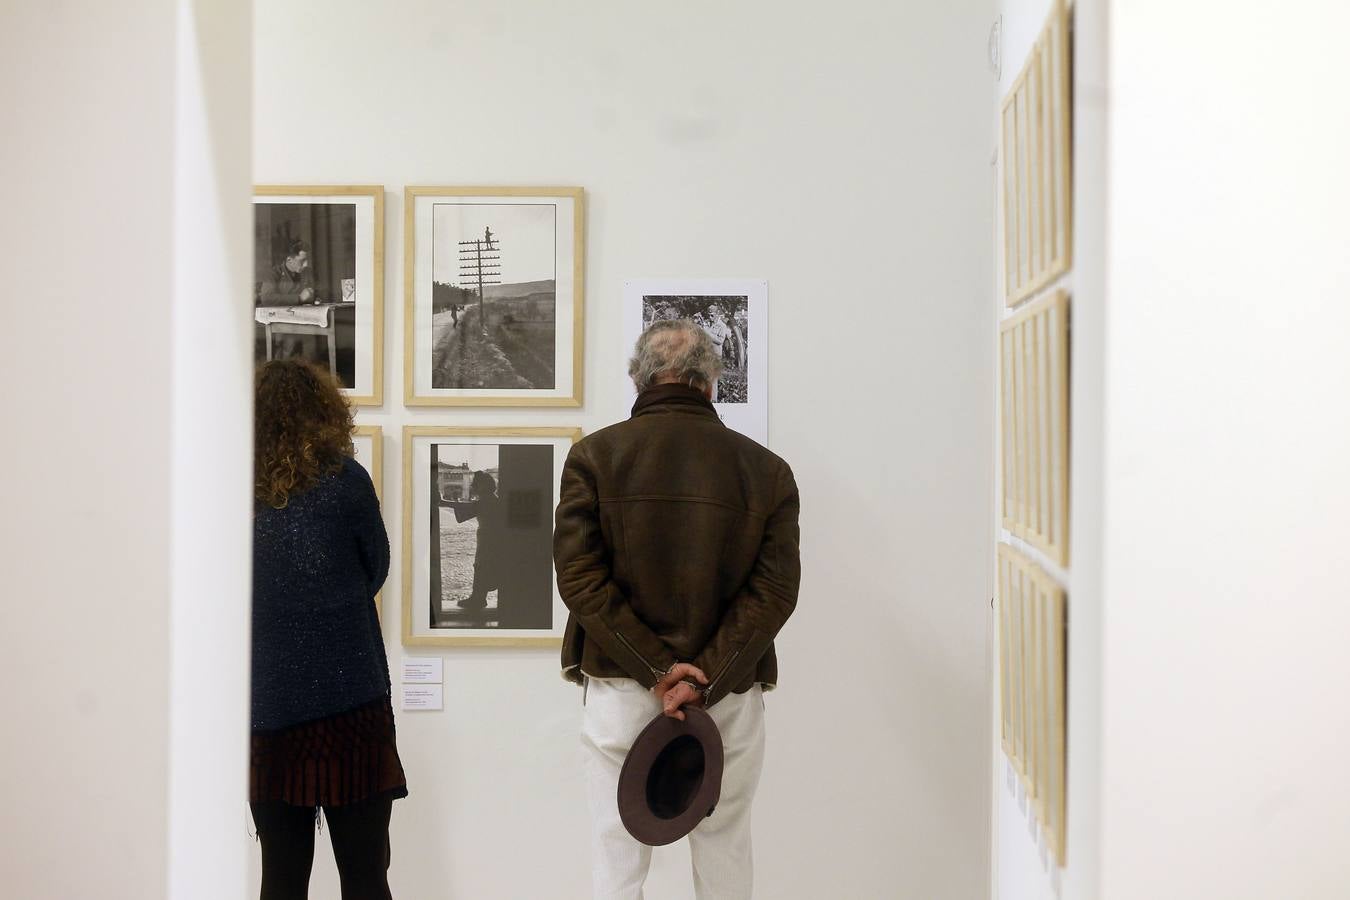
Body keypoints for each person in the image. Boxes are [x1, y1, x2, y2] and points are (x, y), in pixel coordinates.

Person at [554, 319, 801, 900]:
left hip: (621, 686)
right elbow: (775, 593)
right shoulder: (767, 472)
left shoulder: (594, 457)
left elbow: (580, 580)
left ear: (637, 379)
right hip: (729, 694)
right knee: (725, 854)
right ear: (711, 383)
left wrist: (658, 669)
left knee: (616, 859)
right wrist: (704, 676)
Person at [251, 360, 406, 900]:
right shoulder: (346, 481)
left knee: (281, 878)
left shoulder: (231, 490)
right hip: (351, 702)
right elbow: (375, 567)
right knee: (366, 877)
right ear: (326, 413)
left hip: (266, 707)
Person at [439, 470, 504, 612]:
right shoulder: (492, 500)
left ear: (483, 486)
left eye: (476, 484)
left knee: (481, 566)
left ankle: (478, 598)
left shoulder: (486, 501)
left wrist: (444, 502)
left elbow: (464, 511)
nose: (473, 486)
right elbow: (466, 509)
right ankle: (478, 597)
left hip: (488, 539)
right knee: (483, 566)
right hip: (491, 538)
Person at [259, 239, 316, 307]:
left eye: (307, 260)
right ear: (289, 260)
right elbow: (267, 299)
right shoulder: (273, 273)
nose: (306, 264)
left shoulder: (307, 272)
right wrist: (299, 298)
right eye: (302, 261)